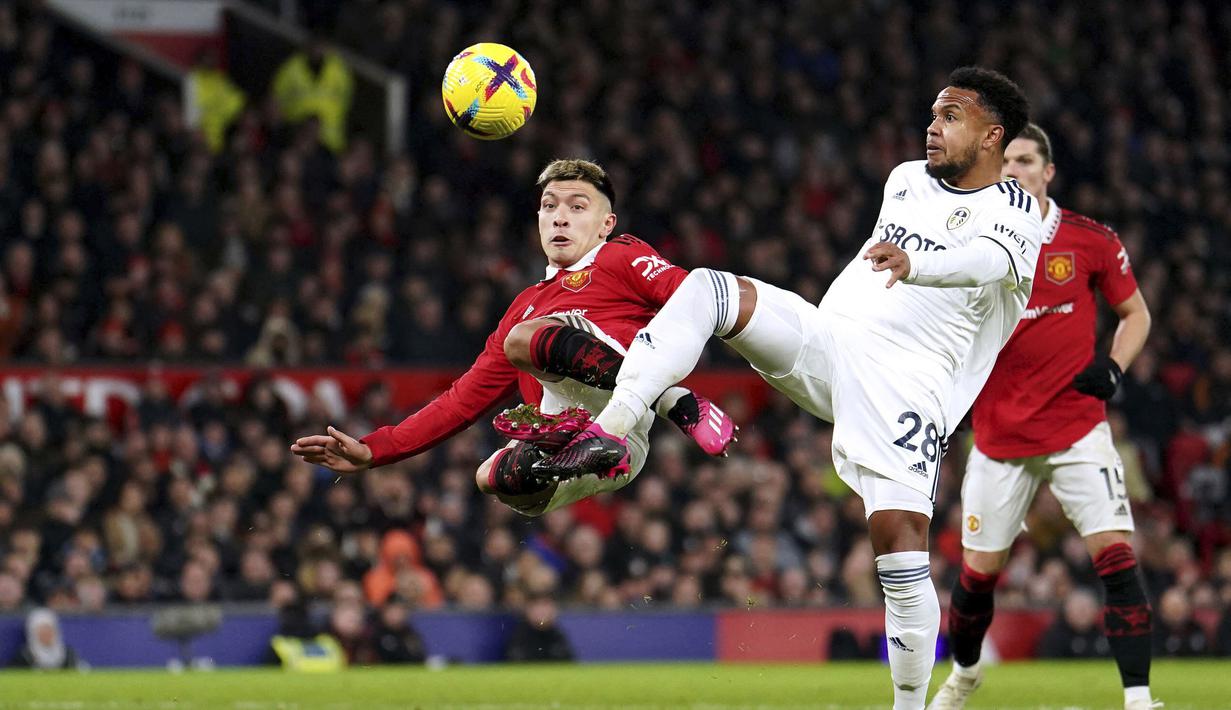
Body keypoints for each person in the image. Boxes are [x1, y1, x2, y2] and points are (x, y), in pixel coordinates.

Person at [536, 67, 1039, 710]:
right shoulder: (906, 179)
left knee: (899, 546)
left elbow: (987, 261)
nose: (932, 128)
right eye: (933, 114)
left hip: (909, 384)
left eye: (951, 117)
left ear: (993, 135)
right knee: (710, 289)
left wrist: (920, 263)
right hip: (831, 341)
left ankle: (909, 706)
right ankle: (610, 427)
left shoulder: (1016, 209)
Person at [291, 159, 735, 517]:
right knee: (493, 478)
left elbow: (697, 300)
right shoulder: (523, 306)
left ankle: (665, 398)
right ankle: (597, 438)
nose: (560, 216)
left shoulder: (621, 256)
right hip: (584, 443)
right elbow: (461, 402)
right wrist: (374, 449)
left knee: (526, 338)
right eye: (549, 206)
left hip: (627, 415)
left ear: (606, 224)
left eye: (577, 206)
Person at [930, 124, 1157, 710]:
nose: (1013, 171)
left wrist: (1114, 368)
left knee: (1117, 558)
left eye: (1026, 160)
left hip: (1077, 430)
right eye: (1004, 162)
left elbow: (1135, 314)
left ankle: (1138, 697)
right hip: (999, 439)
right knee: (978, 576)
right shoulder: (971, 244)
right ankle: (965, 674)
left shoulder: (1090, 240)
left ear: (1048, 171)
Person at [271, 35, 354, 153]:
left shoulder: (339, 69)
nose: (318, 50)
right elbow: (275, 96)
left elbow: (347, 98)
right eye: (316, 45)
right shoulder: (293, 67)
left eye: (322, 46)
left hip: (329, 139)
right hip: (296, 132)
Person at [504, 594, 575, 662]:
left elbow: (568, 662)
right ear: (528, 610)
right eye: (537, 606)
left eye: (545, 605)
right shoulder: (519, 636)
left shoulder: (557, 636)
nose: (542, 611)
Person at [11, 608, 80, 669]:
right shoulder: (25, 656)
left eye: (48, 629)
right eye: (41, 630)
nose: (46, 634)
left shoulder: (67, 654)